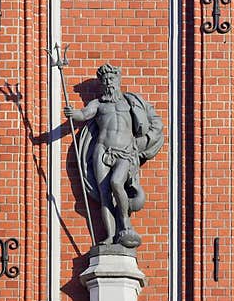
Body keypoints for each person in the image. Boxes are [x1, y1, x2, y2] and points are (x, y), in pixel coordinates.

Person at [64, 64, 164, 249]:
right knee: (104, 195)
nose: (109, 82)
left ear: (118, 80)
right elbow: (83, 114)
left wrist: (143, 143)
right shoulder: (98, 104)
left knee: (117, 183)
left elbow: (153, 122)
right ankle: (110, 235)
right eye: (105, 80)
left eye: (112, 79)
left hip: (125, 151)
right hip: (102, 151)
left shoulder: (129, 102)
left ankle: (125, 223)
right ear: (102, 84)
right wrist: (73, 113)